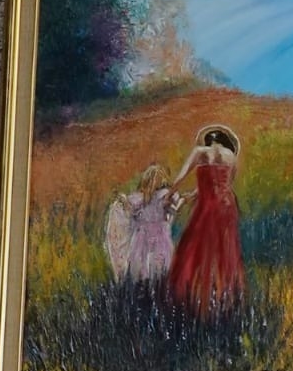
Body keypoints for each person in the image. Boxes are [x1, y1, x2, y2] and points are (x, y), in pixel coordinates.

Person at [168, 123, 246, 314]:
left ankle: (194, 300)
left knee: (196, 246)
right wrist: (193, 194)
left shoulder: (200, 151)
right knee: (224, 250)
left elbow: (181, 176)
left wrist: (170, 193)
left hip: (208, 206)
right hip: (227, 206)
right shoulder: (231, 156)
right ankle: (224, 299)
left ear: (208, 140)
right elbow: (223, 183)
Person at [103, 163, 182, 283]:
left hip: (154, 236)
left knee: (154, 262)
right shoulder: (143, 198)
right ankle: (147, 286)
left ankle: (153, 286)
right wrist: (123, 200)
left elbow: (172, 207)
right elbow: (131, 210)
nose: (157, 183)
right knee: (145, 263)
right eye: (156, 179)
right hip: (148, 236)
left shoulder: (158, 196)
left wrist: (176, 205)